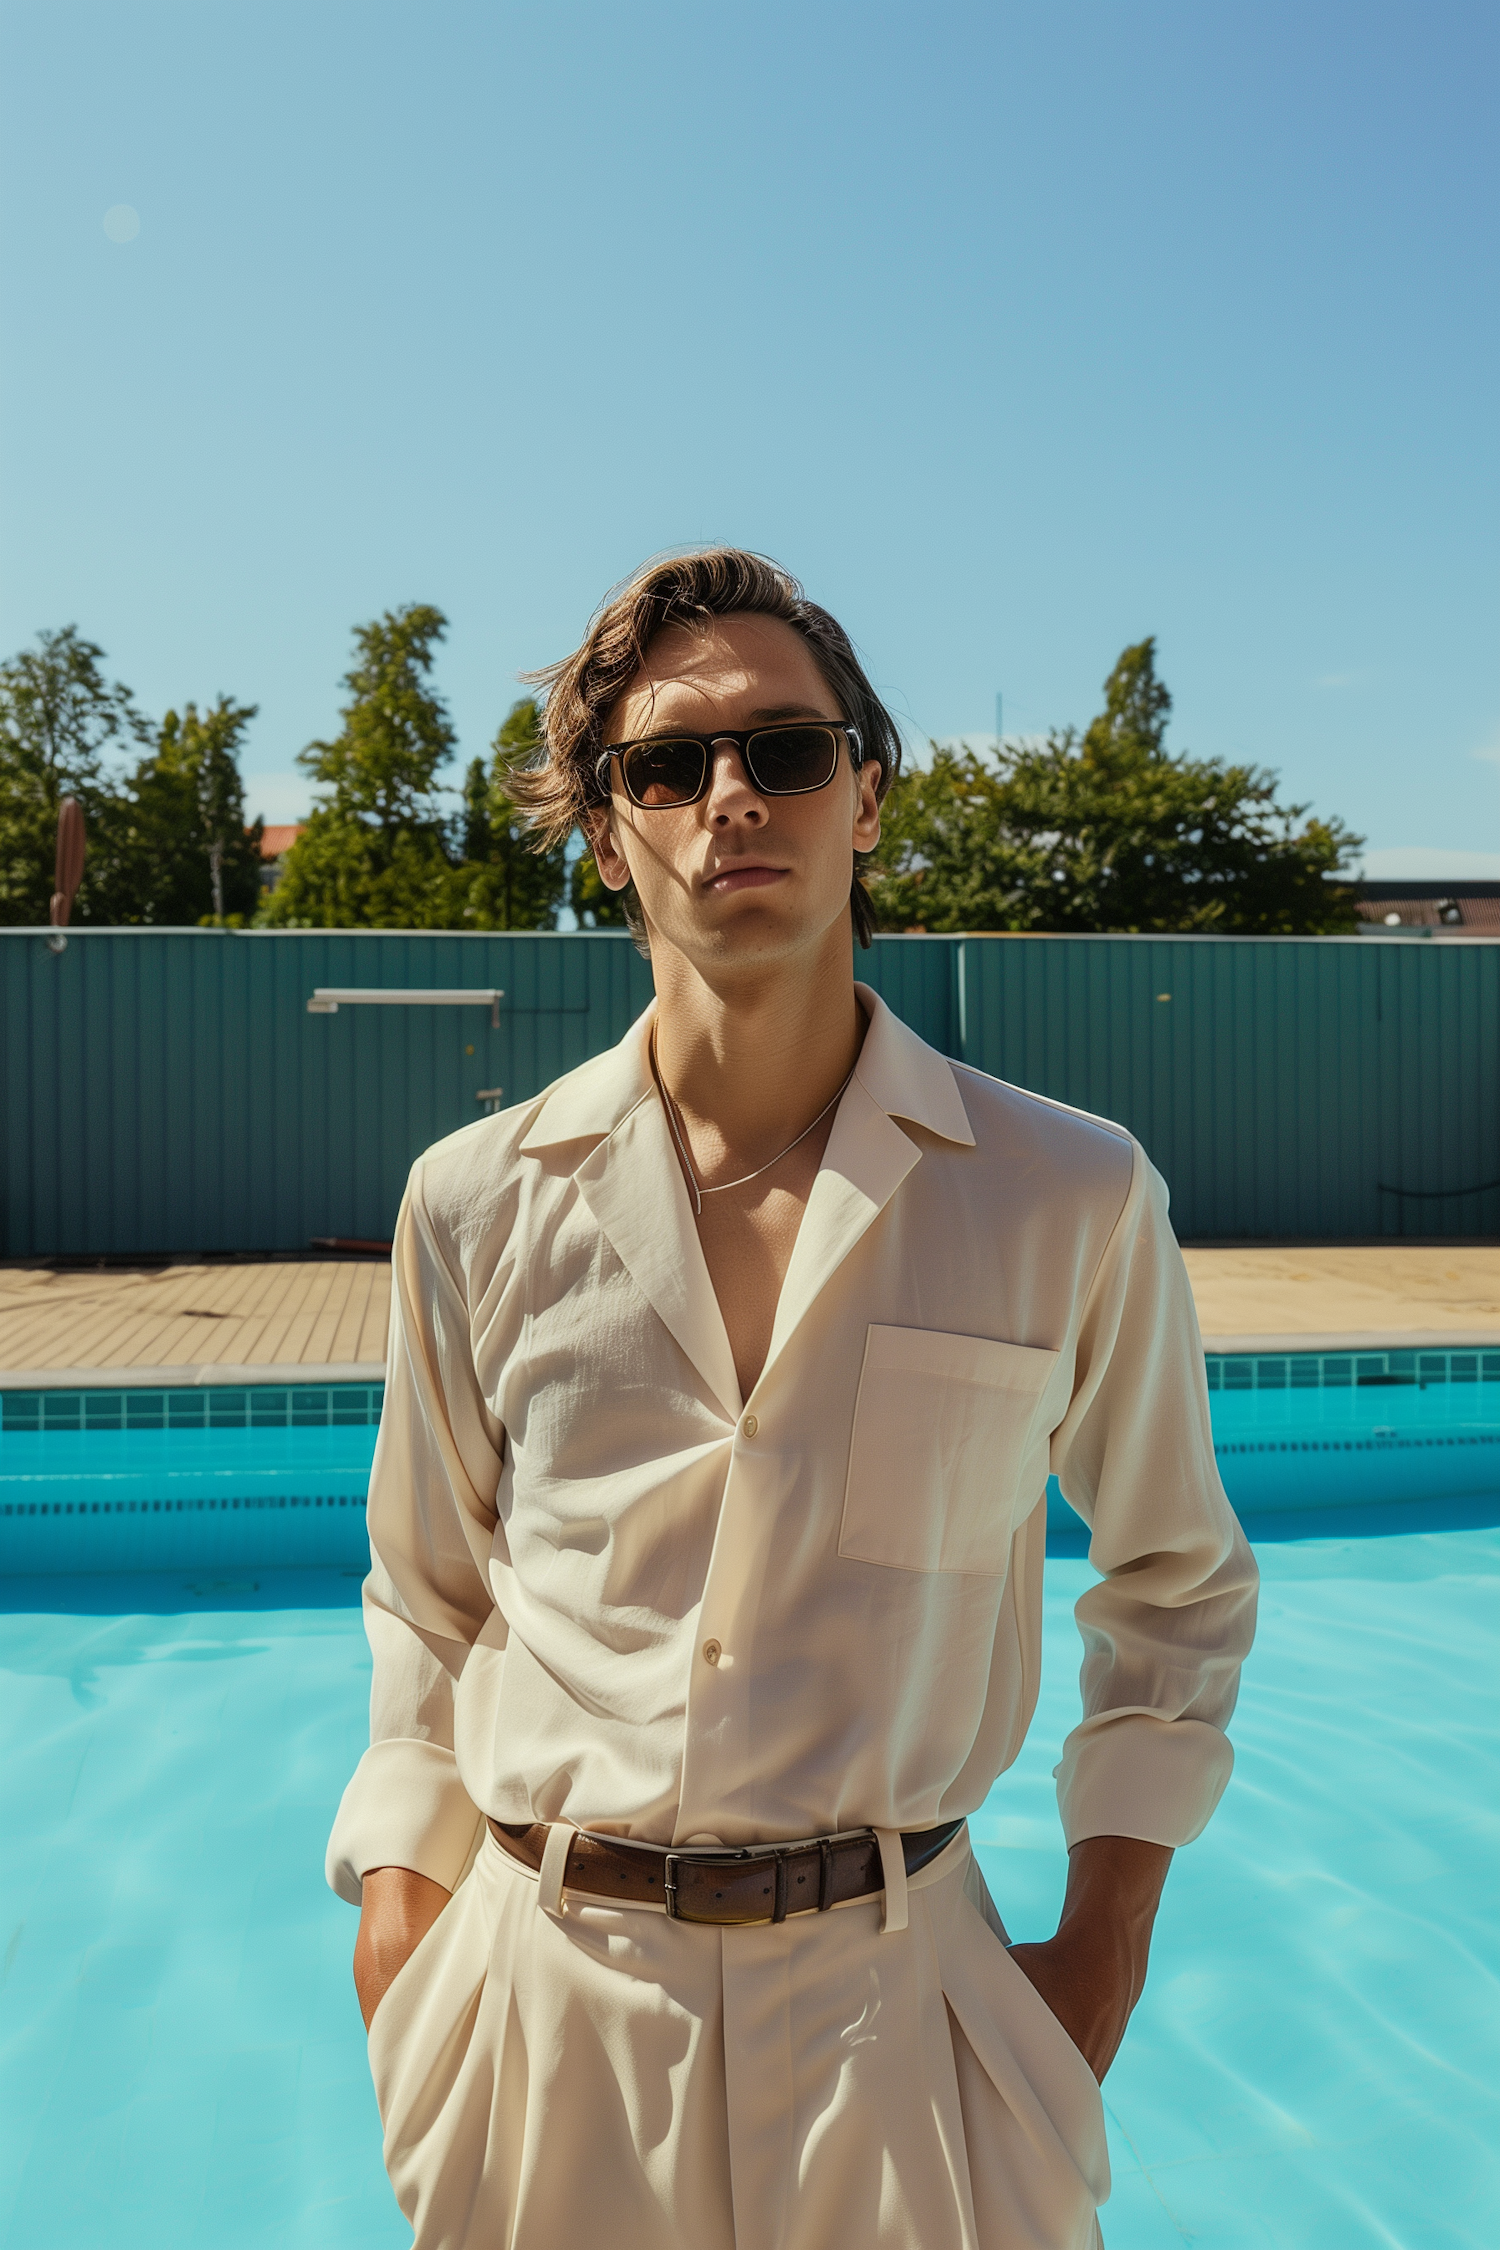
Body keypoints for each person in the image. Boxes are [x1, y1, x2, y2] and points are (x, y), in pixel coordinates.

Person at [326, 548, 1259, 2250]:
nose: (730, 797)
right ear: (608, 832)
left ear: (869, 794)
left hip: (910, 2032)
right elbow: (429, 1591)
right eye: (667, 765)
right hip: (548, 2029)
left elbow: (1179, 1578)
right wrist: (402, 1916)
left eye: (788, 749)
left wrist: (1105, 1940)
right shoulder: (470, 1202)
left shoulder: (1067, 1193)